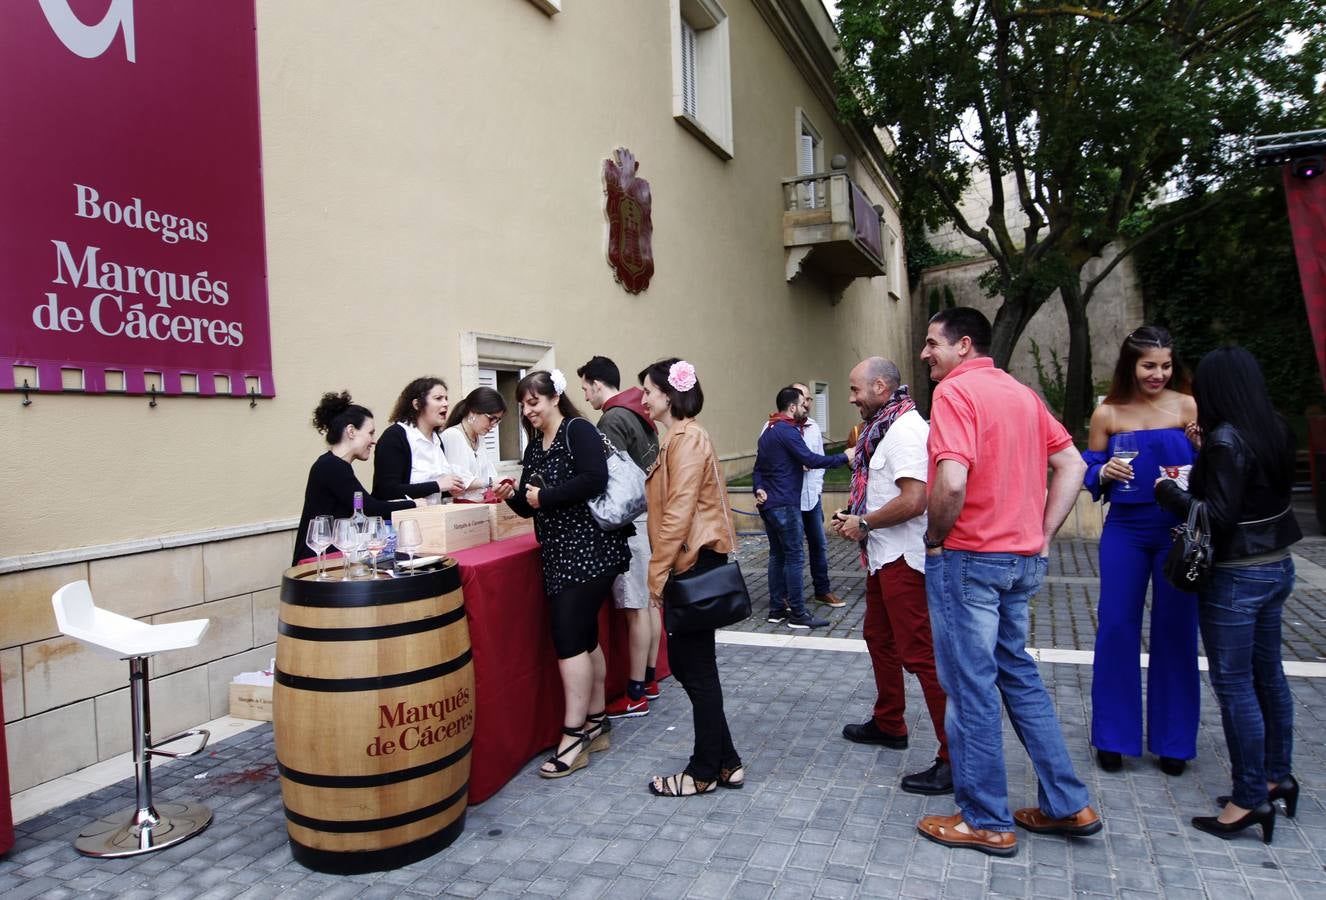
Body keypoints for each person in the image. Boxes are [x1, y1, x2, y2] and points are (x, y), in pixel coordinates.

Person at [917, 307, 1100, 858]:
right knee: (1018, 677)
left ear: (963, 345)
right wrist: (1042, 534)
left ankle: (986, 820)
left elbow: (951, 480)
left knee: (971, 687)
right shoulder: (1022, 394)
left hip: (969, 559)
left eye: (932, 343)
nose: (925, 353)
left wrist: (934, 537)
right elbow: (1072, 465)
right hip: (1019, 561)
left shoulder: (954, 392)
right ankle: (1069, 803)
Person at [1156, 346, 1301, 844]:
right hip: (1277, 566)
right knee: (1269, 676)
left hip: (1237, 575)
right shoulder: (1273, 427)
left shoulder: (1225, 440)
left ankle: (1247, 800)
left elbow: (1215, 516)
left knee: (1235, 685)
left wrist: (1169, 492)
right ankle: (1275, 776)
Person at [831, 357, 951, 796]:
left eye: (855, 389)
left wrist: (865, 522)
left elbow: (915, 499)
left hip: (903, 556)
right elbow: (886, 493)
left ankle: (954, 757)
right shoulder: (885, 426)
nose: (851, 397)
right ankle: (889, 722)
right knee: (878, 637)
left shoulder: (904, 431)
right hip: (883, 555)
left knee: (920, 655)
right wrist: (858, 517)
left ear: (880, 387)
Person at [1083, 327, 1200, 776]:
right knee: (1115, 626)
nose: (1158, 373)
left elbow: (1208, 467)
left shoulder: (1188, 405)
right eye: (1149, 365)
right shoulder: (1108, 413)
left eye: (1166, 365)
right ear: (1130, 365)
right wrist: (1103, 470)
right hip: (1126, 529)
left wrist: (1203, 445)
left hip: (1177, 530)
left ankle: (1174, 742)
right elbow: (1089, 467)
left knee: (1176, 629)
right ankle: (1113, 737)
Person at [505, 369, 631, 779]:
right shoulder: (535, 445)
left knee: (569, 638)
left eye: (533, 402)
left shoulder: (578, 430)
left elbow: (595, 480)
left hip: (591, 550)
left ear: (554, 398)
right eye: (523, 405)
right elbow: (531, 504)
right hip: (561, 553)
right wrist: (512, 497)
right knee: (583, 636)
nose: (528, 411)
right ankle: (596, 724)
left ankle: (573, 736)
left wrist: (547, 496)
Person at [638, 358, 743, 796]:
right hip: (692, 560)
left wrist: (656, 572)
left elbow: (678, 511)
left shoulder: (687, 438)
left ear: (669, 394)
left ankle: (701, 772)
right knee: (696, 666)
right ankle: (727, 761)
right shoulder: (678, 438)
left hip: (691, 562)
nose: (643, 399)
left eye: (648, 391)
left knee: (692, 667)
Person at [578, 355, 663, 718]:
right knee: (649, 603)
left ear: (598, 384)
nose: (584, 396)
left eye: (585, 388)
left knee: (635, 608)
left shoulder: (611, 419)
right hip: (650, 515)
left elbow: (613, 478)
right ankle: (650, 678)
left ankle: (635, 693)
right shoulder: (639, 411)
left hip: (631, 520)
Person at [753, 385, 852, 629]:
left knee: (778, 556)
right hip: (786, 505)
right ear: (792, 407)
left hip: (770, 505)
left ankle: (777, 609)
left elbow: (758, 467)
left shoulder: (770, 429)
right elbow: (811, 459)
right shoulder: (787, 430)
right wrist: (845, 457)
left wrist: (758, 487)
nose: (806, 406)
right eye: (802, 402)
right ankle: (798, 613)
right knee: (795, 557)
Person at [293, 391, 418, 564]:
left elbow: (361, 505)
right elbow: (370, 508)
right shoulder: (331, 466)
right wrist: (415, 504)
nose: (373, 441)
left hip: (333, 558)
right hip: (318, 563)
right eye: (370, 433)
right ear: (351, 431)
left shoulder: (336, 465)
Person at [791, 383, 845, 609]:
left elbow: (820, 459)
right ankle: (786, 596)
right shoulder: (776, 426)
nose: (808, 402)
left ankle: (822, 590)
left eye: (811, 399)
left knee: (819, 545)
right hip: (789, 498)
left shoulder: (813, 427)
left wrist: (818, 484)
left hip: (812, 496)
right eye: (804, 398)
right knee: (790, 550)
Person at [372, 377, 465, 504]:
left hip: (433, 517)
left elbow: (432, 489)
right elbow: (386, 491)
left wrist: (450, 490)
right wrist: (438, 485)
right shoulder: (395, 436)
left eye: (446, 399)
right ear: (417, 404)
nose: (445, 404)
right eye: (438, 398)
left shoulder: (437, 439)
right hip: (404, 520)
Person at [441, 387, 512, 502]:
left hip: (480, 506)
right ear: (473, 411)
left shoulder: (479, 437)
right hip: (458, 508)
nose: (494, 425)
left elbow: (490, 473)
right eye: (491, 418)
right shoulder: (452, 435)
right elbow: (460, 482)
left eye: (498, 420)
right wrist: (490, 482)